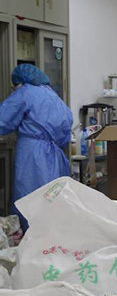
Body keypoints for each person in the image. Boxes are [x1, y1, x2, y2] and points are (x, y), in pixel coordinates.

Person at [0, 65, 72, 229]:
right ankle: (50, 239)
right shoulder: (54, 97)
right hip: (55, 156)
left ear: (20, 82)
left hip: (32, 154)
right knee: (51, 198)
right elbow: (65, 133)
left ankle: (29, 238)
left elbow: (3, 119)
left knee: (29, 198)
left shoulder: (25, 92)